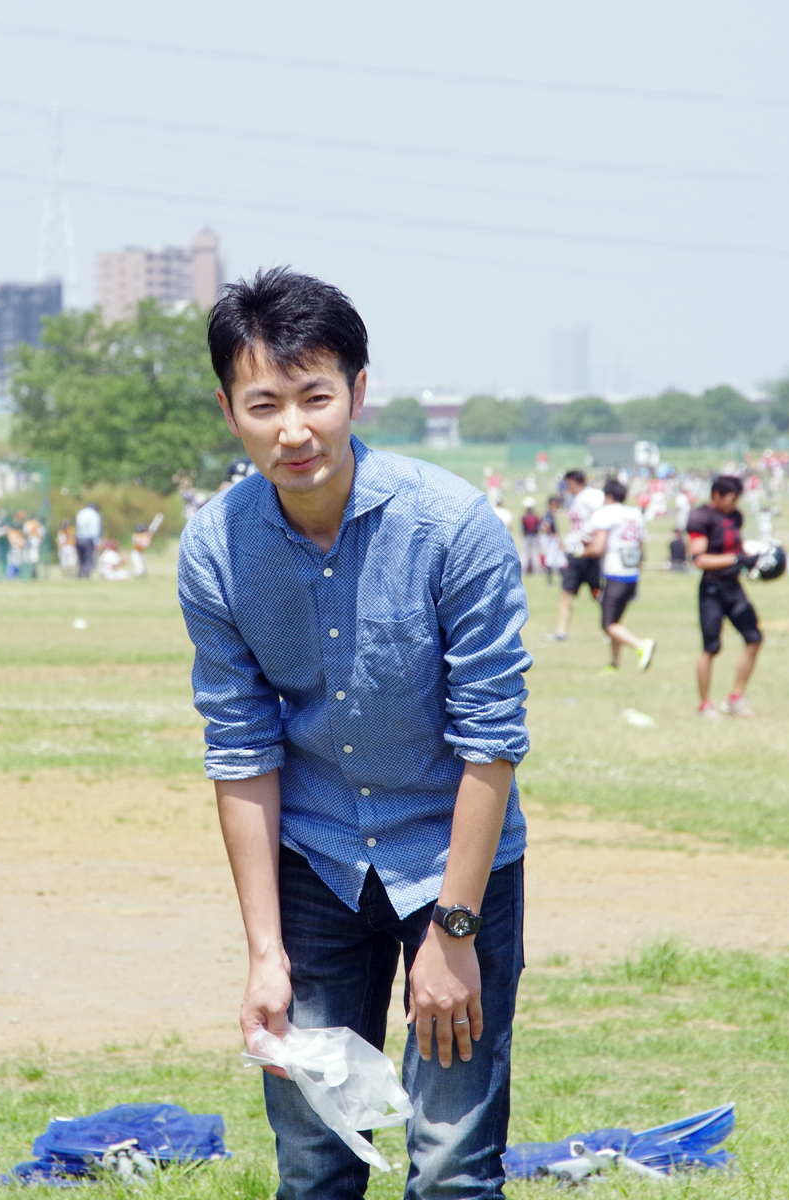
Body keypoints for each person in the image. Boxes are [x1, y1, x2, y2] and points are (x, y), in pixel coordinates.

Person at [179, 269, 530, 1200]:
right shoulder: (216, 548)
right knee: (314, 1159)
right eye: (265, 404)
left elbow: (491, 739)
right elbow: (240, 750)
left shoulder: (450, 526)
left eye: (315, 397)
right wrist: (265, 952)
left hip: (452, 861)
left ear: (357, 393)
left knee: (452, 1163)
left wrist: (452, 932)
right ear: (230, 411)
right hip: (315, 862)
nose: (294, 430)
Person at [687, 475, 764, 718]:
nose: (734, 504)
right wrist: (735, 559)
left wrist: (751, 560)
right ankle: (704, 705)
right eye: (731, 499)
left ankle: (735, 698)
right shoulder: (701, 518)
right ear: (716, 495)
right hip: (712, 589)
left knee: (754, 638)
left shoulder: (735, 516)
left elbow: (735, 548)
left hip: (734, 587)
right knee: (711, 648)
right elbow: (700, 559)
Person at [584, 479, 656, 673]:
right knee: (615, 621)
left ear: (607, 496)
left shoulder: (605, 514)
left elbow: (598, 547)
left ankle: (641, 645)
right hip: (632, 574)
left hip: (615, 574)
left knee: (608, 624)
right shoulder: (635, 514)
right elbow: (642, 547)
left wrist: (580, 552)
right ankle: (614, 663)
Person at [547, 469, 604, 641]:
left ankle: (609, 626)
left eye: (569, 483)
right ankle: (561, 631)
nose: (567, 487)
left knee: (597, 593)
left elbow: (602, 516)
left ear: (576, 482)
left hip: (589, 553)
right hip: (575, 554)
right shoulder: (575, 500)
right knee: (566, 592)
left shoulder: (592, 496)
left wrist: (592, 538)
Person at [74, 502, 102, 580]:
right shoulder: (94, 515)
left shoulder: (81, 512)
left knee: (81, 558)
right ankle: (86, 575)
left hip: (79, 537)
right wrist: (97, 541)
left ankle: (80, 574)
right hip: (88, 538)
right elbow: (95, 530)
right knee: (88, 558)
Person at [518, 497, 542, 575]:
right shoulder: (536, 516)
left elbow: (522, 528)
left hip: (527, 536)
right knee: (535, 553)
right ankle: (536, 570)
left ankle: (523, 570)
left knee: (525, 553)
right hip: (534, 536)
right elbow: (538, 527)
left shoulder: (524, 517)